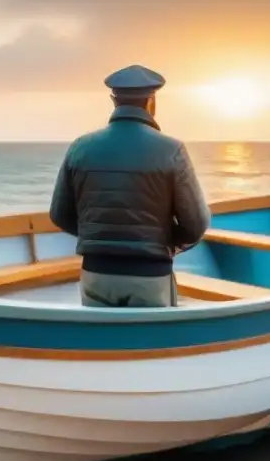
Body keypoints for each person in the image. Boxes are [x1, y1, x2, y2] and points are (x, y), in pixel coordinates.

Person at [49, 64, 212, 307]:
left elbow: (59, 214)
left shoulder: (80, 147)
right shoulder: (172, 150)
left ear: (113, 100)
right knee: (151, 344)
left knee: (101, 344)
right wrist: (166, 242)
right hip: (149, 274)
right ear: (151, 101)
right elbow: (196, 224)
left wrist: (98, 237)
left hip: (97, 272)